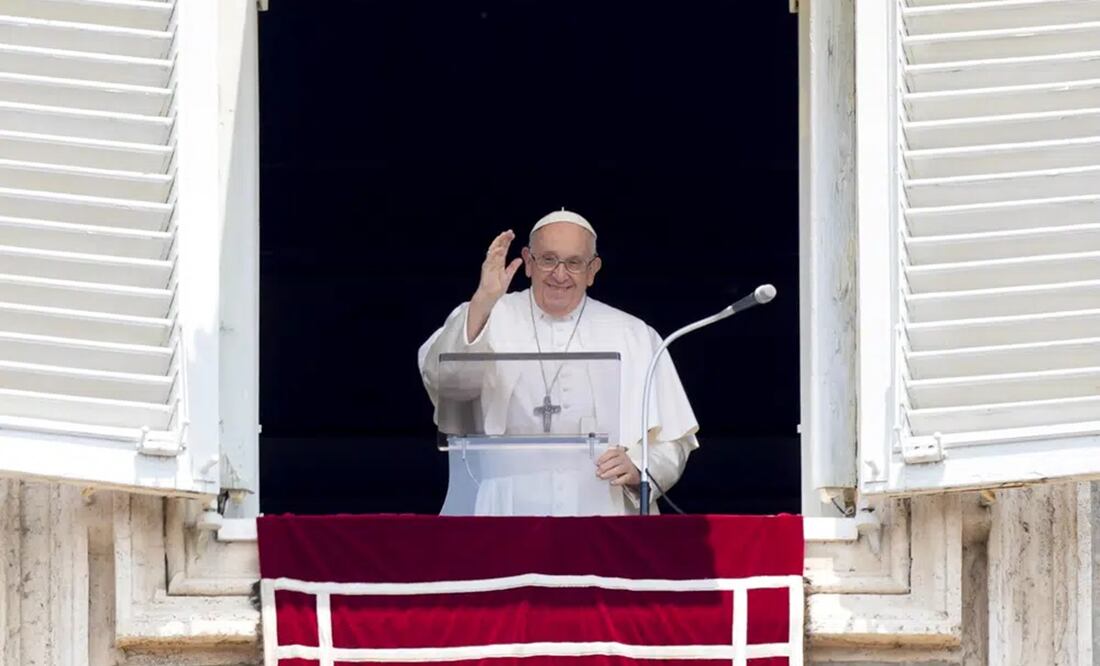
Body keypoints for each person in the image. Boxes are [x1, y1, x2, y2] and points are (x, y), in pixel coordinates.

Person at [417, 209, 699, 516]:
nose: (560, 275)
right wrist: (484, 298)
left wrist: (639, 465)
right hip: (503, 507)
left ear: (593, 269)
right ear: (528, 261)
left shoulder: (633, 334)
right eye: (548, 259)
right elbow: (449, 383)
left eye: (574, 263)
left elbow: (673, 441)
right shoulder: (486, 315)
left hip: (602, 507)